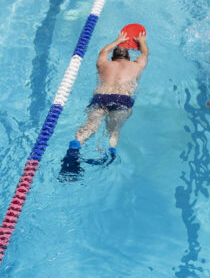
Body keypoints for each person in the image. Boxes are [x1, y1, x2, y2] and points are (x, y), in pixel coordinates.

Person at [60, 30, 148, 179]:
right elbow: (145, 54)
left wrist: (118, 40)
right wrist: (141, 42)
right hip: (122, 100)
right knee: (113, 131)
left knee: (89, 128)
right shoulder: (136, 66)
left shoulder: (103, 63)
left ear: (113, 56)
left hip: (100, 98)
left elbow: (103, 51)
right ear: (128, 57)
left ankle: (75, 148)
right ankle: (110, 152)